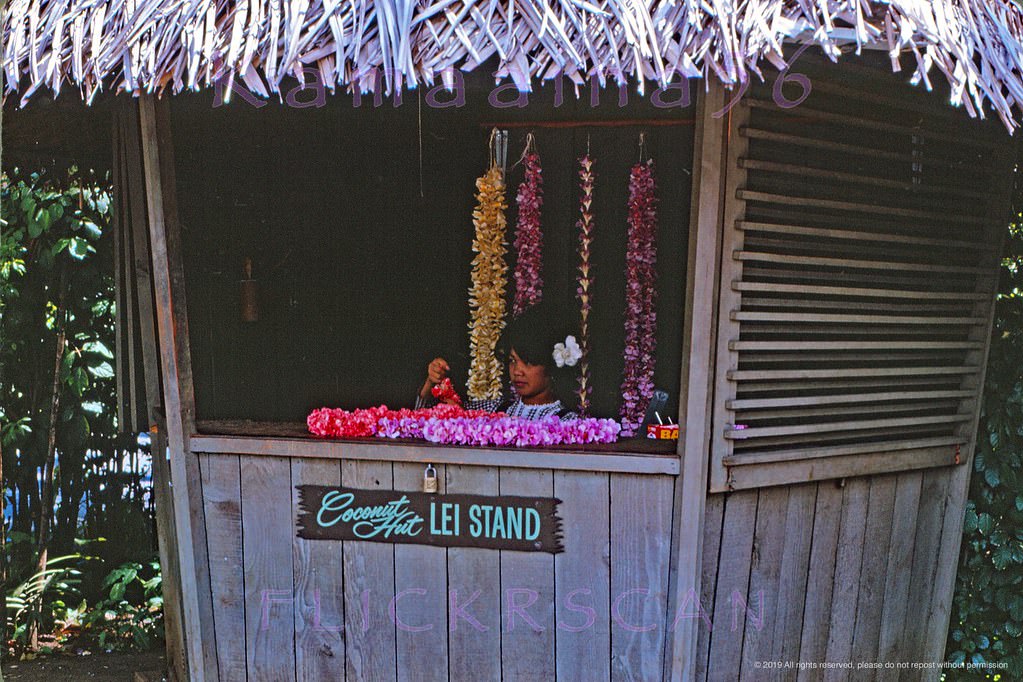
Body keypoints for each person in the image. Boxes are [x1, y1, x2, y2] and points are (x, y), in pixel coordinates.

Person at [417, 305, 579, 420]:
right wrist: (431, 382)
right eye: (512, 360)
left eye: (528, 362)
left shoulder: (568, 423)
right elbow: (421, 418)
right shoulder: (495, 410)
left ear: (551, 366)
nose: (517, 371)